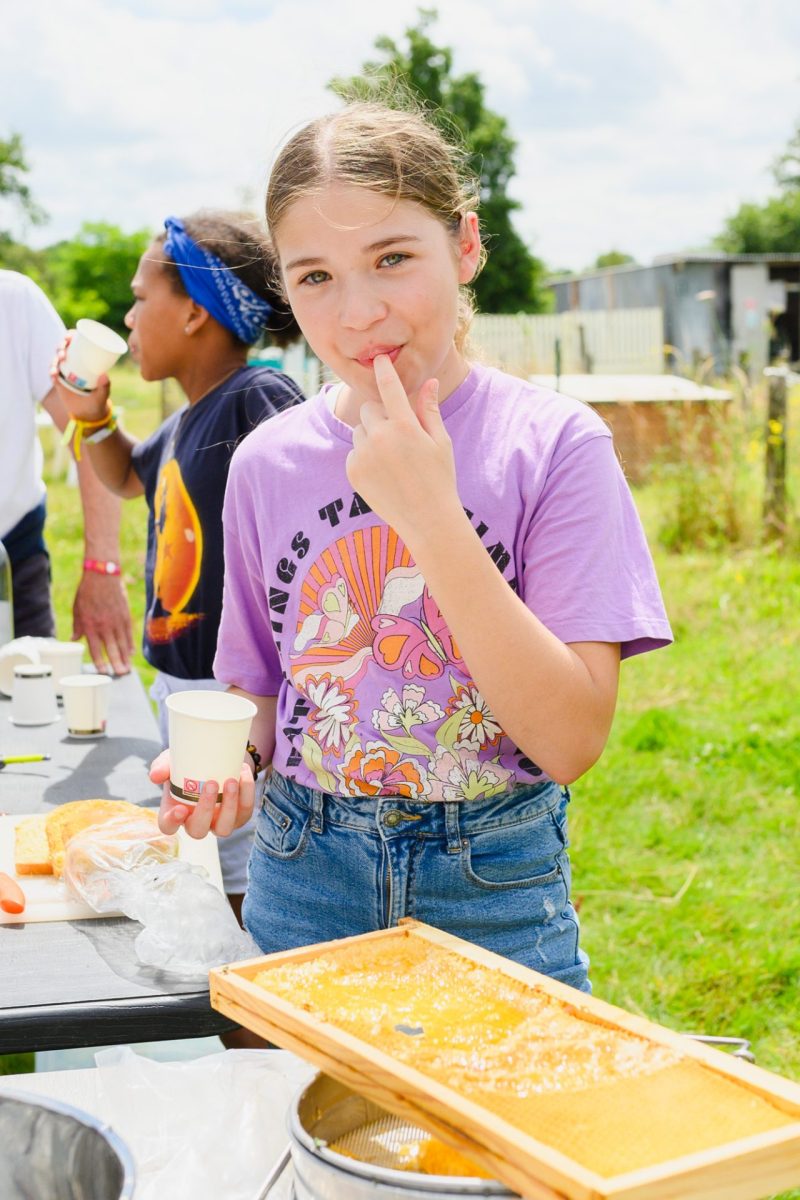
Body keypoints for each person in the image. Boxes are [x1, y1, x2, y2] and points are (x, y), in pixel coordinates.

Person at [153, 105, 673, 992]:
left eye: (393, 258)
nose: (358, 314)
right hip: (302, 873)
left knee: (497, 1130)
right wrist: (229, 762)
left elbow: (570, 739)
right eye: (314, 277)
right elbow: (261, 693)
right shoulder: (267, 463)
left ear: (465, 246)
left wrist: (431, 514)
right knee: (294, 1122)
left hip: (494, 885)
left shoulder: (553, 448)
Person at [52, 210, 304, 917]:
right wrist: (92, 414)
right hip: (181, 689)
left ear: (195, 311)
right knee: (207, 863)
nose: (128, 317)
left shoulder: (256, 400)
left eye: (140, 297)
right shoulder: (190, 418)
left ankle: (248, 1022)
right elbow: (125, 475)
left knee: (240, 885)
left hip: (232, 704)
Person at [0, 269, 132, 671]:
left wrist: (102, 565)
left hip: (13, 558)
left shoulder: (16, 301)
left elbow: (87, 431)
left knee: (30, 718)